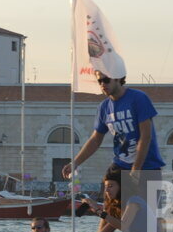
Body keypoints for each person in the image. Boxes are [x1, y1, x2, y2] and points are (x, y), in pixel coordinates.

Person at [61, 66, 165, 205]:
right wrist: (75, 162)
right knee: (110, 210)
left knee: (148, 217)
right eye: (99, 81)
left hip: (147, 166)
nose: (103, 84)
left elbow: (145, 137)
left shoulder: (138, 98)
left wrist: (136, 169)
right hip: (120, 164)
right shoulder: (104, 107)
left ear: (117, 78)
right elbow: (96, 139)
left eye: (106, 80)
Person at [75, 166, 165, 232]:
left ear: (122, 186)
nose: (107, 191)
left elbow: (124, 226)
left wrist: (98, 211)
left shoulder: (134, 202)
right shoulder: (122, 209)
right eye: (105, 187)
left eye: (111, 186)